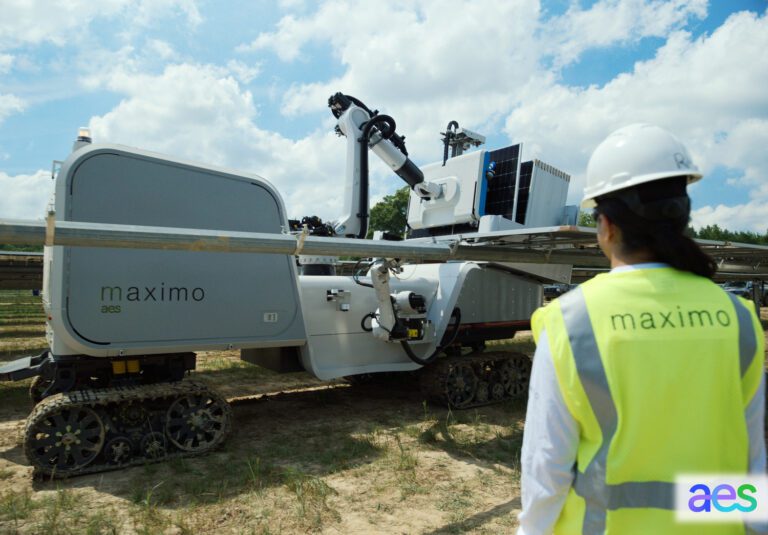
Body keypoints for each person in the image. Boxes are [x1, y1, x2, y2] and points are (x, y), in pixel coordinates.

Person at [517, 123, 765, 534]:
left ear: (607, 225)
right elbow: (751, 459)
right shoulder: (738, 319)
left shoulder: (571, 321)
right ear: (682, 215)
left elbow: (546, 470)